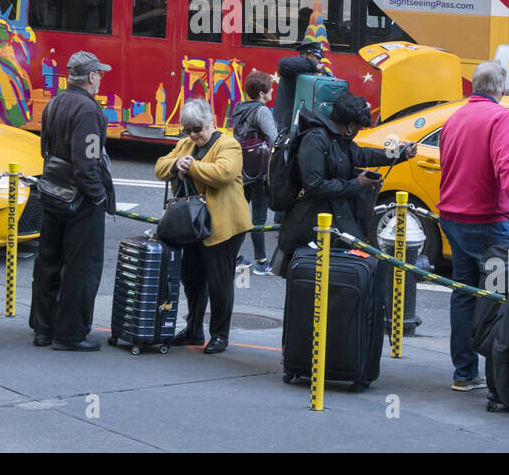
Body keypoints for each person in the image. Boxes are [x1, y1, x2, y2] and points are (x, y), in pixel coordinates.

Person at [438, 60, 509, 391]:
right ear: (501, 90)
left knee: (464, 292)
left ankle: (464, 373)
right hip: (487, 220)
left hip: (453, 217)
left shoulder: (455, 117)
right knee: (507, 297)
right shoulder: (500, 117)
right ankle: (501, 376)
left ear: (473, 85)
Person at [31, 51, 115, 351]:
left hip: (52, 190)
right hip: (80, 198)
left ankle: (44, 329)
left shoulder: (55, 102)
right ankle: (70, 333)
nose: (101, 78)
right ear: (90, 76)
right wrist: (98, 196)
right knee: (81, 266)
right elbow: (87, 162)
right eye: (99, 74)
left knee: (49, 261)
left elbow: (46, 147)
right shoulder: (89, 111)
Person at [154, 98, 252, 353]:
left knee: (220, 283)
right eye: (188, 130)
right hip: (193, 226)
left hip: (224, 226)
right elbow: (159, 167)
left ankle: (220, 335)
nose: (194, 135)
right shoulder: (185, 144)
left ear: (212, 122)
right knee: (192, 278)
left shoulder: (229, 144)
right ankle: (194, 330)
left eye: (198, 129)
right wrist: (176, 164)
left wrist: (192, 166)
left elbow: (223, 174)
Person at [277, 92, 414, 260]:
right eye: (358, 127)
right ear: (350, 126)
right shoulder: (315, 140)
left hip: (336, 218)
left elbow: (364, 154)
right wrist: (357, 184)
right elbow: (314, 185)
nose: (358, 132)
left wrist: (401, 152)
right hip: (310, 226)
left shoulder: (338, 140)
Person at [233, 70, 279, 274]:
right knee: (258, 218)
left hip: (240, 168)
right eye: (269, 88)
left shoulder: (239, 107)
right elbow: (275, 138)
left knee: (238, 215)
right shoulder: (262, 111)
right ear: (262, 93)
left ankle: (232, 256)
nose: (272, 90)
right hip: (258, 171)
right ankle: (261, 261)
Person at [273, 39, 325, 136]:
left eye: (320, 59)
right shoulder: (292, 67)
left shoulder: (310, 71)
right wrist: (313, 65)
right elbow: (282, 64)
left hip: (298, 127)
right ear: (306, 55)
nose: (319, 61)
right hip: (285, 126)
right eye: (317, 57)